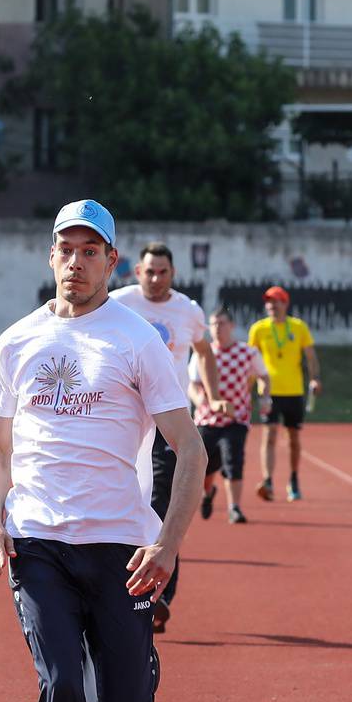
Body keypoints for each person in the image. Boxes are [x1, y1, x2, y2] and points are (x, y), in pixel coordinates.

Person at [0, 199, 205, 702]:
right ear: (51, 257)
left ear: (112, 260)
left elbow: (189, 448)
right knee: (60, 687)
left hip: (118, 544)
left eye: (89, 250)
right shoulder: (16, 341)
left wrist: (167, 544)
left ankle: (138, 662)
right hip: (39, 542)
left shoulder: (137, 339)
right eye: (64, 249)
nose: (75, 261)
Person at [109, 243, 218, 631]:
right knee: (124, 499)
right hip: (121, 419)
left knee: (159, 502)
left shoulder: (187, 311)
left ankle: (158, 597)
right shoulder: (117, 304)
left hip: (168, 420)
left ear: (173, 273)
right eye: (149, 271)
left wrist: (213, 392)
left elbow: (204, 352)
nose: (156, 279)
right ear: (137, 270)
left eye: (163, 273)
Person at [192, 308, 266, 525]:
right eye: (213, 324)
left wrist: (265, 396)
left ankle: (234, 508)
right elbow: (193, 385)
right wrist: (201, 402)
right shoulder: (203, 353)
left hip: (237, 418)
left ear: (232, 326)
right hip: (207, 420)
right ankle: (208, 493)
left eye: (222, 324)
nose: (217, 329)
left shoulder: (248, 353)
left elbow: (263, 376)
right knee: (205, 466)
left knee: (233, 461)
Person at [248, 285, 321, 503]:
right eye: (268, 301)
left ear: (285, 303)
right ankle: (268, 480)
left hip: (294, 390)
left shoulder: (298, 327)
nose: (271, 305)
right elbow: (250, 361)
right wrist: (246, 389)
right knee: (269, 434)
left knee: (293, 438)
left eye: (276, 301)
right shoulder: (259, 329)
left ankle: (294, 478)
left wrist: (315, 378)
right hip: (269, 392)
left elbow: (310, 357)